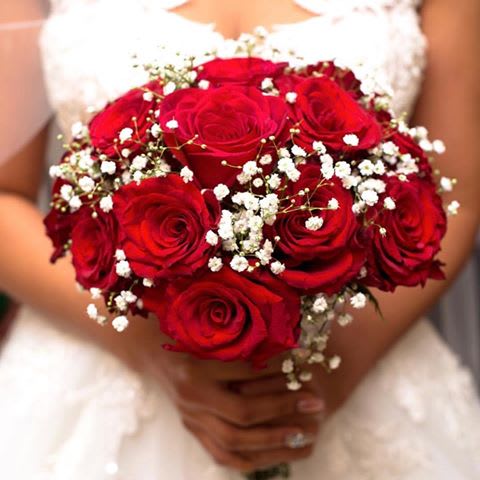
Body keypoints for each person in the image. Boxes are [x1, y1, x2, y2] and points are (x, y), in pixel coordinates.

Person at [0, 0, 479, 478]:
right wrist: (145, 347)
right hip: (97, 367)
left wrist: (330, 376)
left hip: (360, 362)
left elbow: (457, 196)